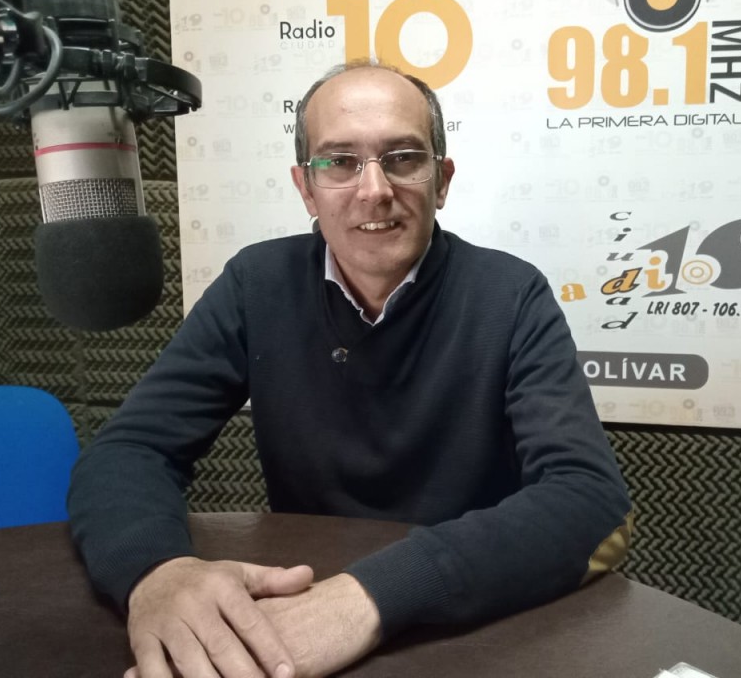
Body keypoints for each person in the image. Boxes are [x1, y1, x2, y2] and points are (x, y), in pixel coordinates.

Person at [68, 60, 633, 678]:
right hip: (303, 606)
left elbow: (589, 499)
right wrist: (157, 572)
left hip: (463, 626)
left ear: (442, 180)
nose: (374, 190)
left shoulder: (512, 295)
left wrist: (370, 597)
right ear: (306, 188)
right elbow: (130, 450)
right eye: (340, 162)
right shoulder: (256, 285)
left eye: (403, 158)